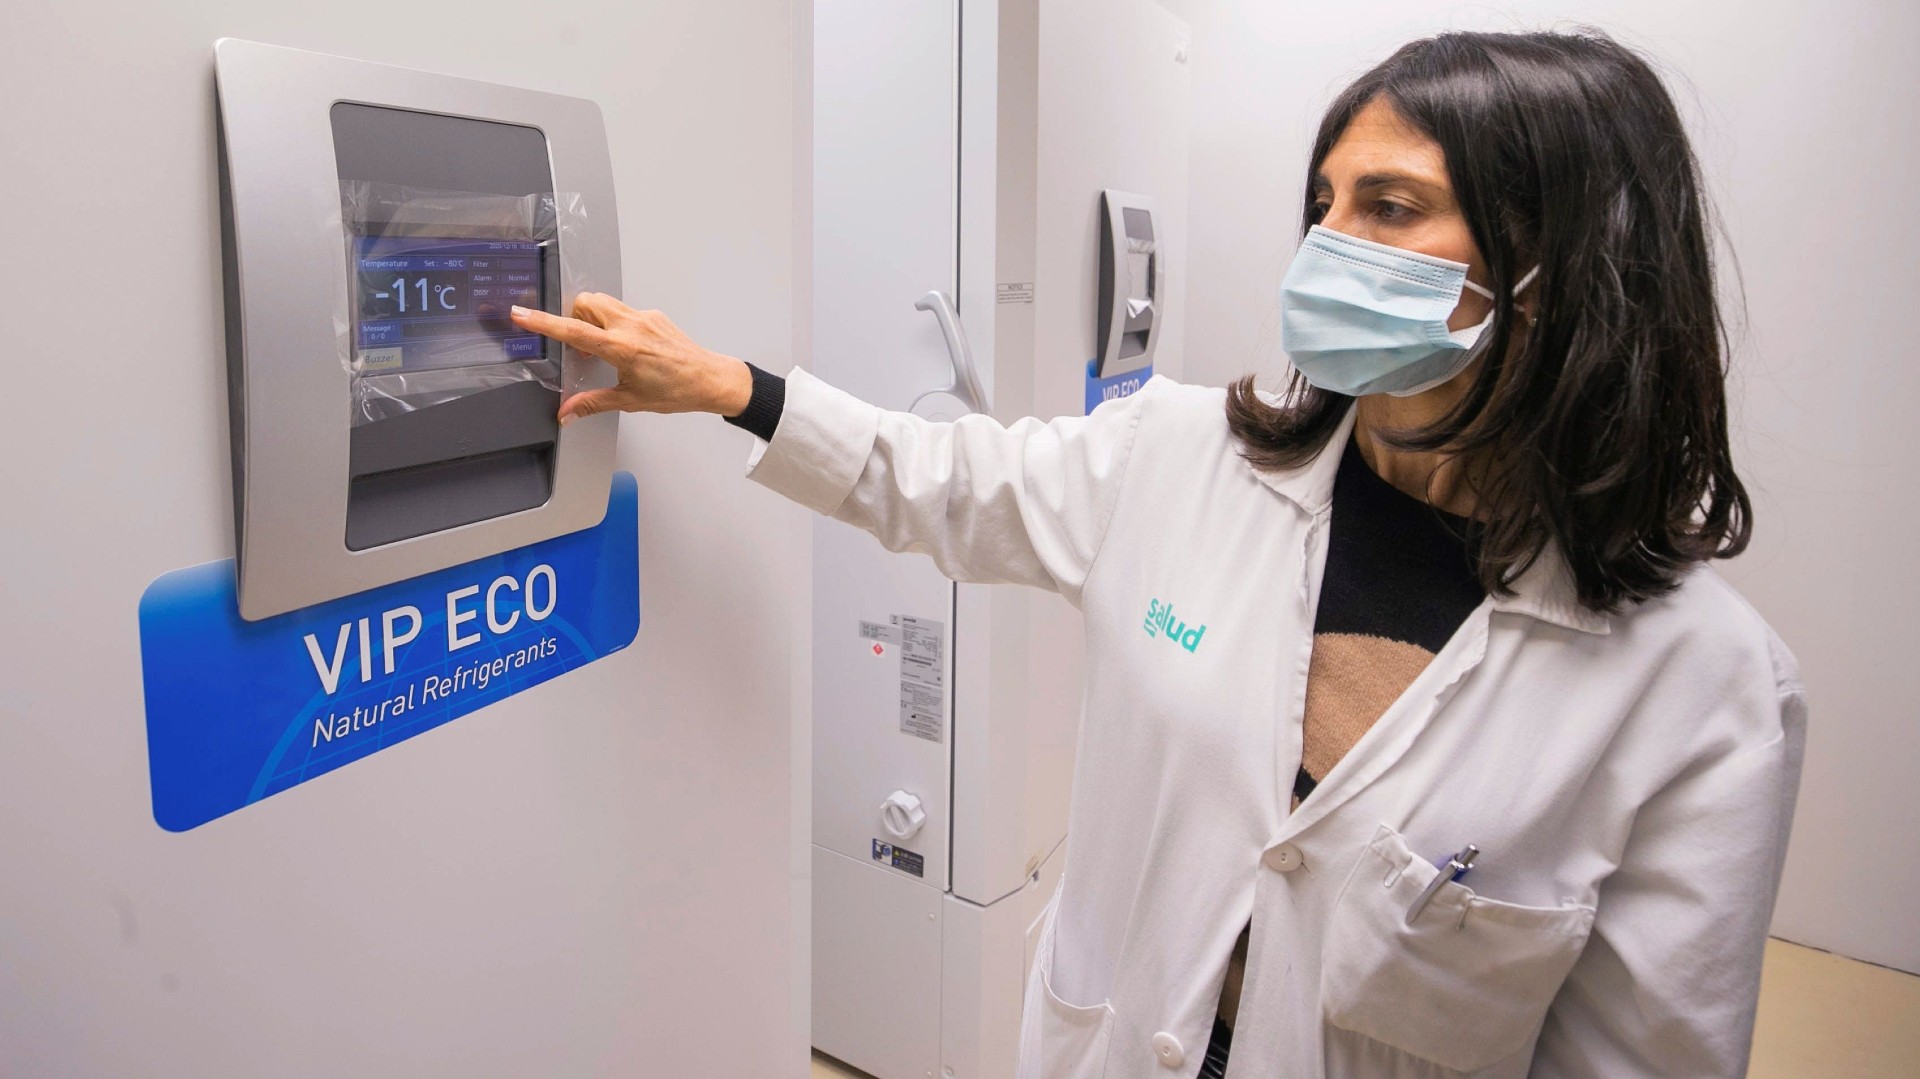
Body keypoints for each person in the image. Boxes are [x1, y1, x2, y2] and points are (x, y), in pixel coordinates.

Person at [513, 28, 1804, 1079]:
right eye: (1324, 205)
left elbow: (1646, 1056)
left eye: (1392, 206)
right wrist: (731, 388)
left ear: (1562, 266)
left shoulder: (1704, 686)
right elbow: (942, 480)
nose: (1329, 247)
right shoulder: (1187, 454)